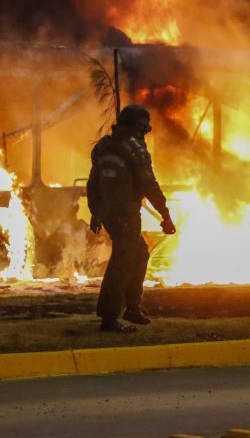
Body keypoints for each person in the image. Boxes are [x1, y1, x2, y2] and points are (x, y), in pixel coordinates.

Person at [87, 104, 176, 333]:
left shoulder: (103, 147)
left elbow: (93, 183)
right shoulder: (134, 148)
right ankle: (109, 318)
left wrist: (96, 212)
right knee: (122, 262)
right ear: (139, 128)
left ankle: (133, 308)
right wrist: (165, 215)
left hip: (109, 212)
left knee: (139, 253)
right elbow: (149, 184)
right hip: (125, 213)